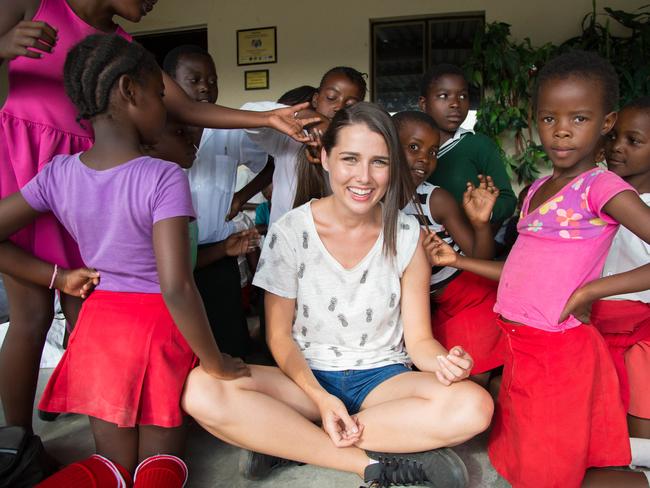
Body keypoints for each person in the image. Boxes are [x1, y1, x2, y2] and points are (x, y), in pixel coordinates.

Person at [0, 0, 313, 435]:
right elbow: (177, 286)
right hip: (26, 157)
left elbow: (183, 106)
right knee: (32, 314)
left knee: (88, 299)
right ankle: (16, 445)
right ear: (130, 93)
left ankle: (97, 397)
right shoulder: (31, 4)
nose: (153, 3)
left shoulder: (123, 47)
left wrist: (265, 118)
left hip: (87, 168)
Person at [182, 102, 493, 488]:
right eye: (350, 158)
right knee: (201, 390)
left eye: (379, 162)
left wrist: (444, 363)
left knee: (474, 406)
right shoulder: (290, 231)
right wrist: (320, 398)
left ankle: (287, 439)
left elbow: (419, 341)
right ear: (325, 158)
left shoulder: (408, 234)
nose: (364, 177)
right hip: (304, 379)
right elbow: (277, 337)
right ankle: (368, 464)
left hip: (384, 381)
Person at [0, 35, 251, 484]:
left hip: (98, 330)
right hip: (156, 328)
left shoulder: (58, 173)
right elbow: (176, 286)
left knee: (110, 467)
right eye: (160, 96)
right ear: (130, 92)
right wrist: (214, 362)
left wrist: (55, 277)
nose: (166, 109)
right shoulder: (163, 176)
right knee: (160, 465)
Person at [424, 51, 650, 488]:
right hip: (520, 346)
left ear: (607, 122)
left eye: (580, 118)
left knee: (553, 472)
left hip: (559, 352)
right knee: (530, 461)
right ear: (535, 120)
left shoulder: (601, 188)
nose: (561, 130)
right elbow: (516, 270)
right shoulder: (537, 189)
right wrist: (457, 260)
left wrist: (590, 292)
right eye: (549, 118)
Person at [163, 44, 267, 357]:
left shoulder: (228, 131)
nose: (206, 86)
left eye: (212, 79)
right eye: (193, 80)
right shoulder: (155, 132)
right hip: (169, 259)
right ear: (168, 83)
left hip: (218, 256)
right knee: (179, 347)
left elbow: (270, 165)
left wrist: (242, 196)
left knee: (228, 341)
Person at [395, 110, 504, 377]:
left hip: (471, 297)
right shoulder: (370, 200)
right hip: (432, 308)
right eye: (413, 147)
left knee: (471, 375)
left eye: (433, 151)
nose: (424, 158)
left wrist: (479, 224)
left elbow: (480, 257)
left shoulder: (436, 199)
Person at [591, 96, 650, 472]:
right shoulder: (593, 195)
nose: (617, 148)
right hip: (592, 328)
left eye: (634, 141)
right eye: (613, 137)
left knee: (637, 441)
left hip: (639, 336)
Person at [242, 66, 367, 225]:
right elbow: (247, 114)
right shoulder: (287, 137)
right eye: (331, 97)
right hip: (283, 237)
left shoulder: (359, 146)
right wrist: (304, 114)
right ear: (315, 99)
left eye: (349, 105)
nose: (339, 107)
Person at [418, 64, 516, 227]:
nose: (455, 103)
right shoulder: (408, 147)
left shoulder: (479, 145)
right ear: (423, 103)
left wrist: (484, 210)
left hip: (466, 246)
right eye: (444, 96)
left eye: (463, 96)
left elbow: (507, 199)